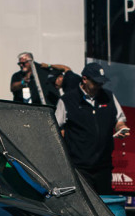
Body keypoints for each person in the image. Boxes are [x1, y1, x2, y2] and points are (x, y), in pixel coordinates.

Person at [54, 62, 129, 194]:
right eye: (96, 82)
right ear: (84, 79)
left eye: (101, 83)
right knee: (86, 202)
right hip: (79, 167)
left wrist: (121, 128)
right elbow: (55, 128)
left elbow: (119, 119)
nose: (99, 86)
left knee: (104, 202)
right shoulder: (67, 100)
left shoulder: (109, 97)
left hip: (104, 165)